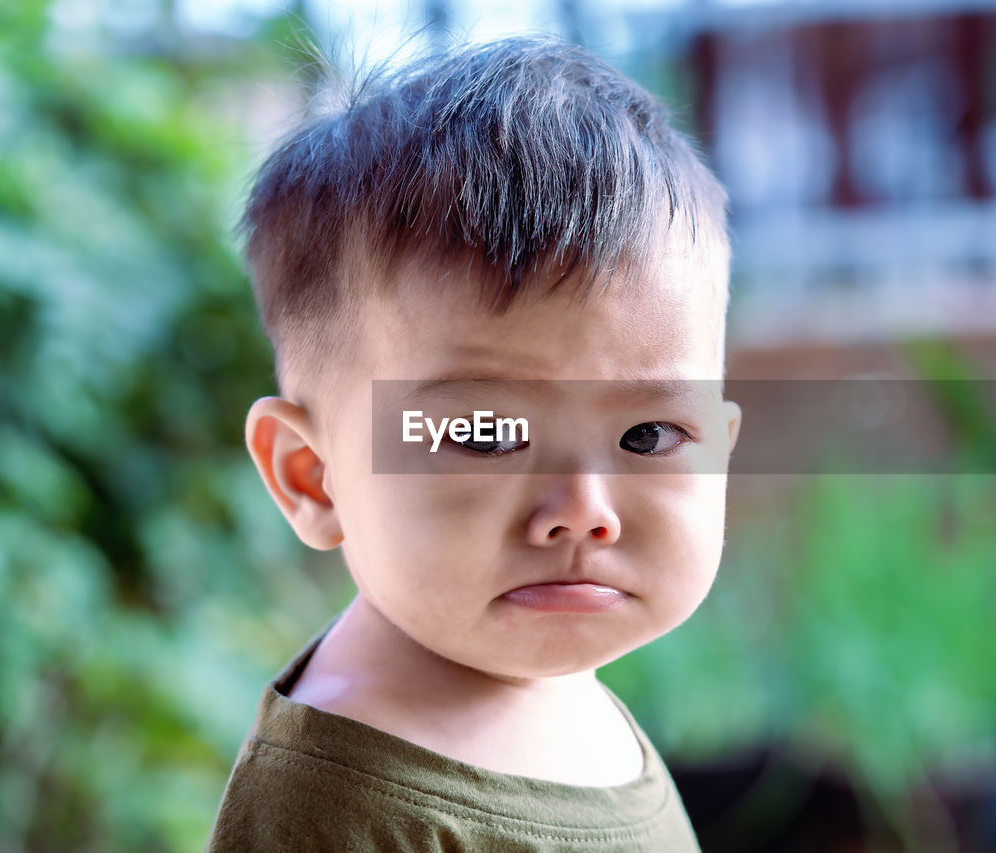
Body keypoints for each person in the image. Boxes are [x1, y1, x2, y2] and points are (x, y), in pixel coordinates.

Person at [207, 34, 742, 851]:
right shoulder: (338, 809)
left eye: (650, 433)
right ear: (314, 478)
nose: (581, 512)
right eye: (484, 435)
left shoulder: (572, 698)